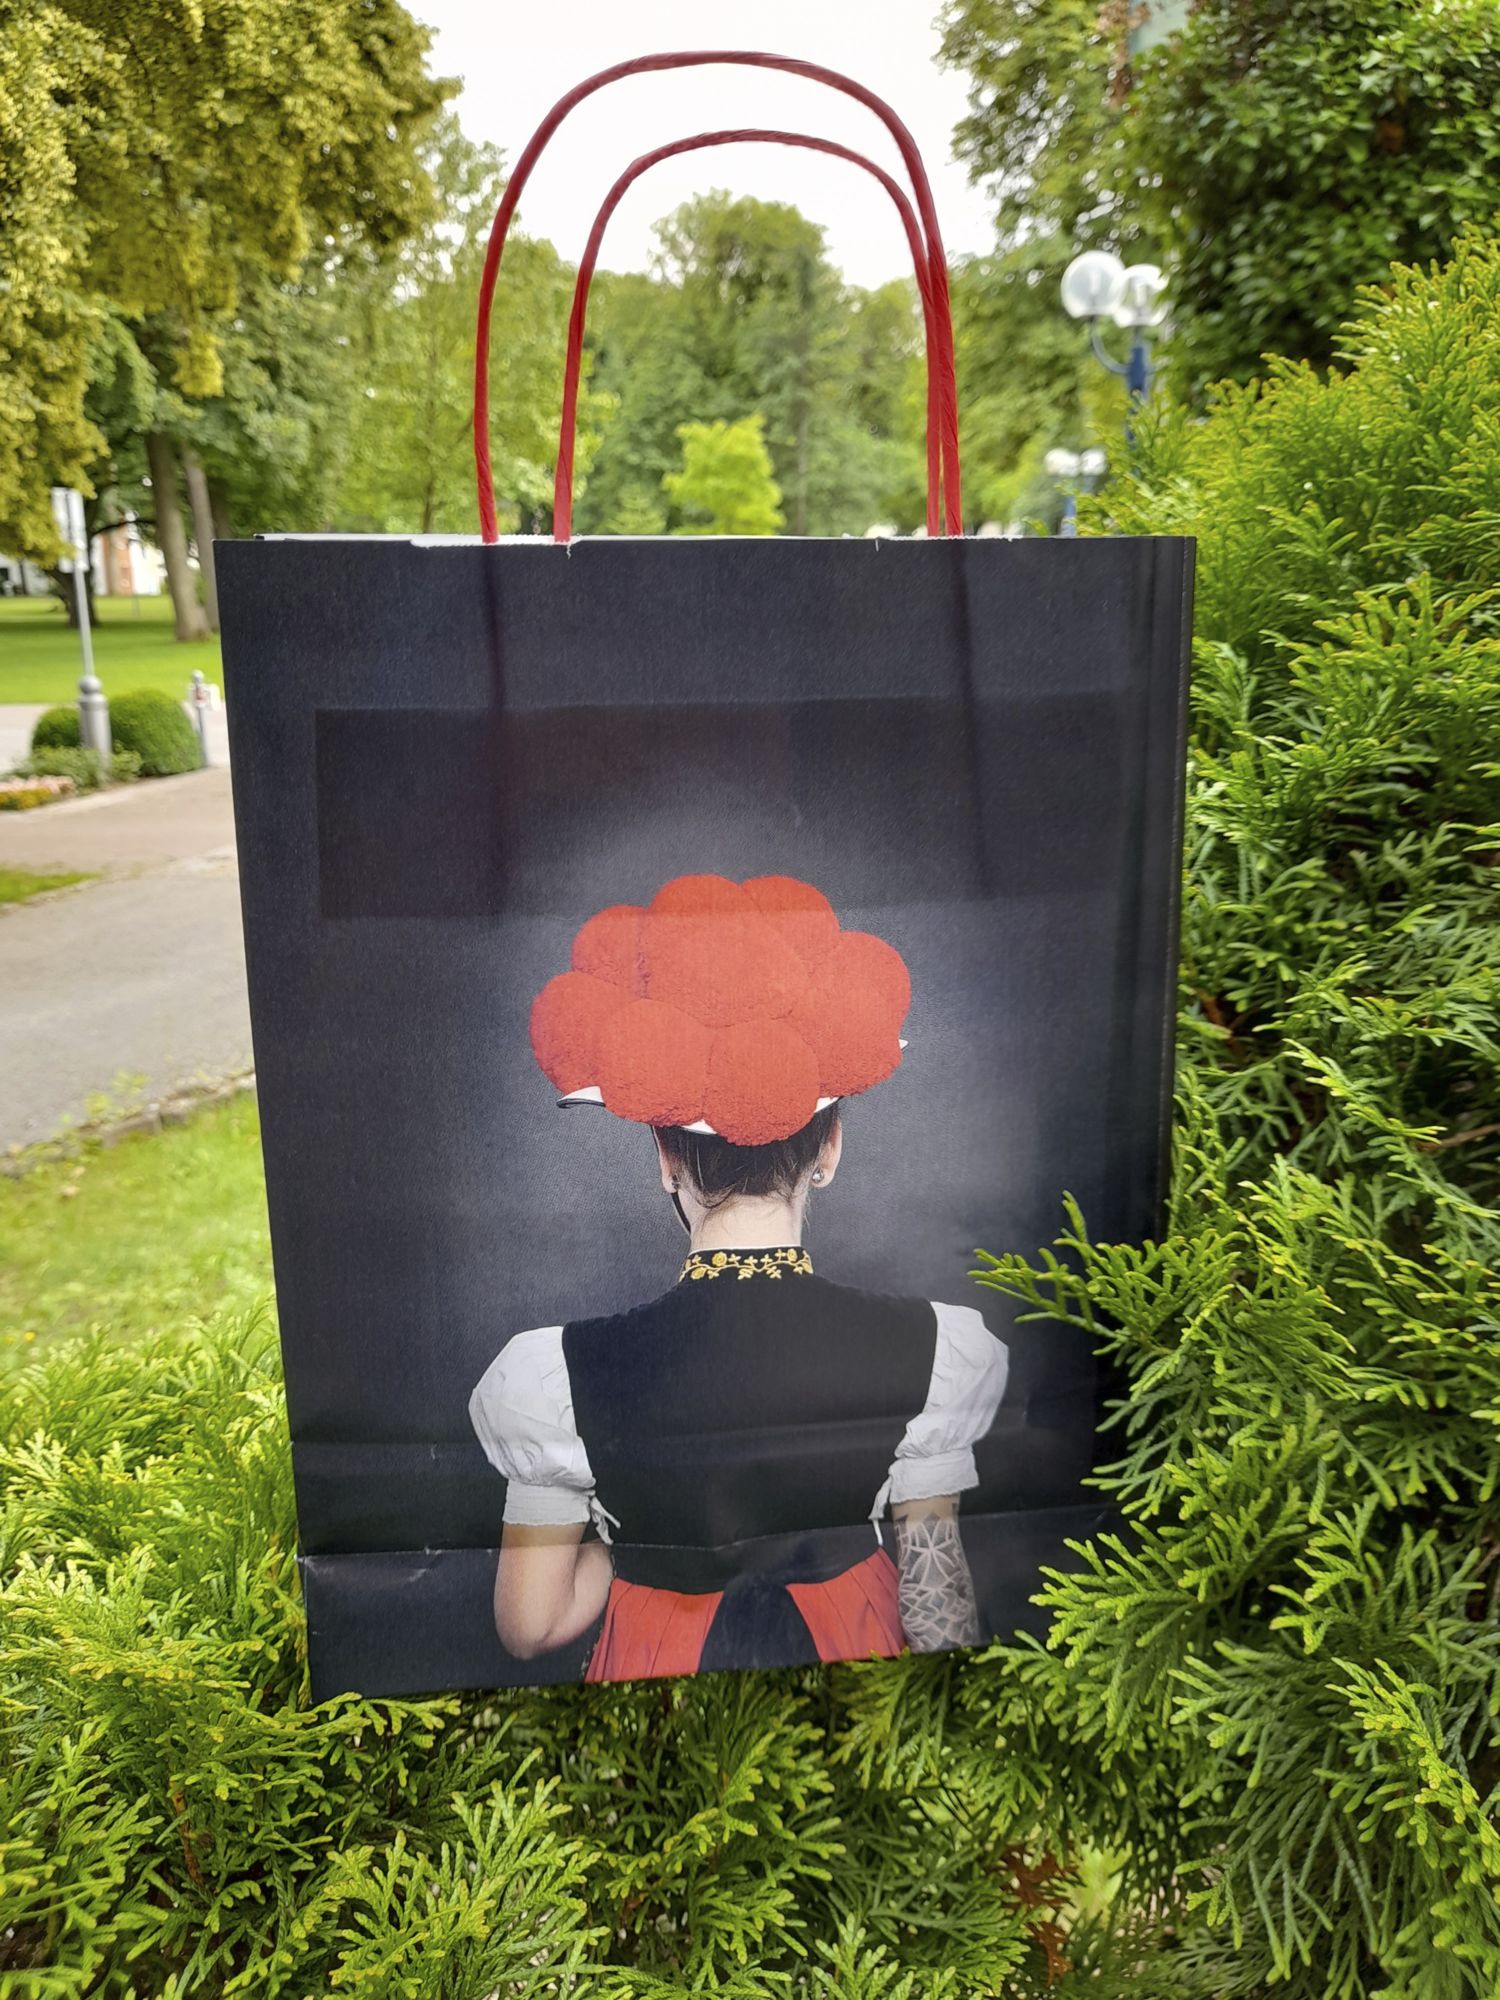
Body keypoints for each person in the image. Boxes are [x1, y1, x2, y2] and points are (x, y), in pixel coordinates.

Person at [469, 873, 1008, 1682]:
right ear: (829, 1151)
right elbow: (937, 1610)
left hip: (661, 1691)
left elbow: (530, 1626)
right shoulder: (934, 1348)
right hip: (855, 1684)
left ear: (665, 1159)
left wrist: (630, 1537)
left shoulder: (552, 1377)